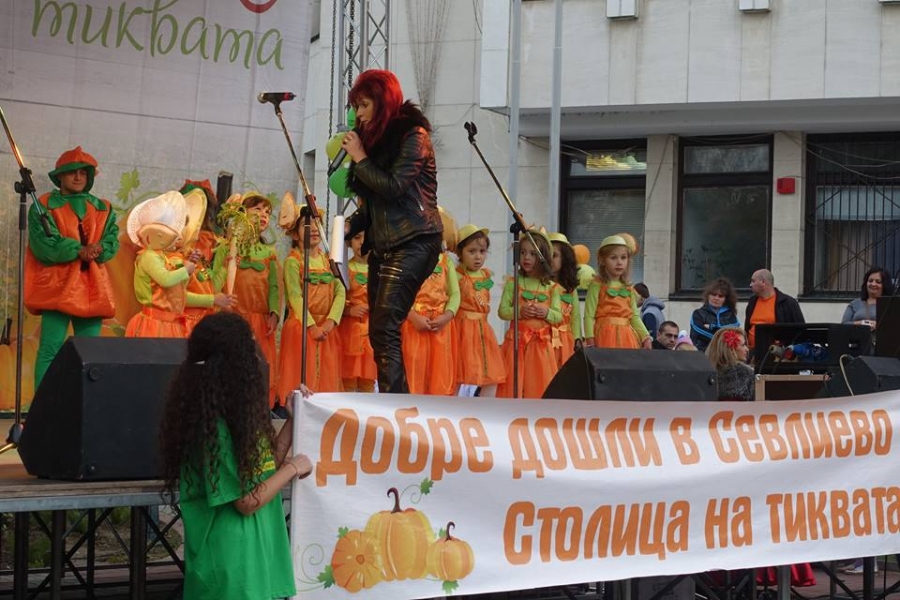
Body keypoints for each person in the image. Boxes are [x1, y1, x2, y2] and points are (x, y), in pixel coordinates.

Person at [159, 312, 312, 599]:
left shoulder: (232, 417)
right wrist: (292, 469)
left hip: (251, 563)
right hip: (230, 568)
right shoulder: (214, 430)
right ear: (232, 364)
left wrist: (293, 421)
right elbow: (246, 501)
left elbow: (264, 470)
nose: (257, 358)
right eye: (249, 349)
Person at [342, 69, 443, 394]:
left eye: (364, 105)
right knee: (379, 330)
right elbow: (374, 203)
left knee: (385, 325)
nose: (359, 115)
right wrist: (350, 226)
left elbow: (394, 186)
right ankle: (395, 400)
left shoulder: (414, 136)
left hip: (415, 240)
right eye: (356, 107)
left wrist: (360, 157)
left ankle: (396, 406)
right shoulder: (376, 143)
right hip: (385, 245)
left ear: (383, 102)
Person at [25, 147, 119, 388]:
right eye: (71, 172)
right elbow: (44, 246)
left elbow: (112, 240)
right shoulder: (43, 205)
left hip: (91, 288)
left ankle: (85, 405)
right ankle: (43, 407)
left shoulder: (103, 208)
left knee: (90, 353)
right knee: (50, 348)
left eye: (83, 173)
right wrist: (78, 250)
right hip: (57, 287)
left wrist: (99, 249)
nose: (78, 177)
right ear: (60, 176)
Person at [125, 192, 230, 338]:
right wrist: (186, 270)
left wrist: (190, 266)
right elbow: (166, 281)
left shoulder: (163, 257)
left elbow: (178, 291)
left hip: (171, 322)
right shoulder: (149, 256)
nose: (179, 234)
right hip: (156, 323)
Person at [213, 193, 281, 406]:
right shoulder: (226, 247)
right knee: (230, 370)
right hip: (233, 318)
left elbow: (274, 286)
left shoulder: (269, 252)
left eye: (267, 212)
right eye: (257, 209)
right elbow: (213, 285)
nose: (263, 215)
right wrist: (228, 263)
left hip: (260, 321)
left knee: (258, 371)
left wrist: (274, 313)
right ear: (242, 213)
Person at [278, 205, 345, 398]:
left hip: (326, 329)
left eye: (317, 223)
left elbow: (340, 291)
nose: (314, 228)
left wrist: (330, 322)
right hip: (302, 328)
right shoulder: (293, 261)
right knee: (301, 379)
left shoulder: (328, 261)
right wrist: (312, 326)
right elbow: (295, 296)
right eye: (306, 225)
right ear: (295, 234)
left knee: (326, 383)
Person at [497, 230, 562, 399]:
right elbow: (502, 312)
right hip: (517, 343)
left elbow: (558, 316)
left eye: (533, 254)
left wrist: (546, 312)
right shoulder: (513, 283)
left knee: (539, 386)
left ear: (543, 257)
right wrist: (519, 311)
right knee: (514, 385)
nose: (526, 258)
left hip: (540, 345)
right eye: (523, 252)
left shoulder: (551, 287)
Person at [401, 220, 459, 396]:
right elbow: (400, 293)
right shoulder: (407, 258)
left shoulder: (446, 262)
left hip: (440, 327)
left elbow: (455, 294)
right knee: (414, 373)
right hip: (415, 325)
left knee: (440, 377)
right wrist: (413, 317)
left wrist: (447, 316)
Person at [453, 224, 506, 397]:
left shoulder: (485, 275)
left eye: (482, 251)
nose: (478, 256)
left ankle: (484, 409)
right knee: (458, 372)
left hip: (483, 329)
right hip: (462, 329)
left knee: (491, 373)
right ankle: (450, 408)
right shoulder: (457, 275)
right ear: (460, 253)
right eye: (472, 251)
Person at [583, 235, 652, 349]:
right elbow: (589, 315)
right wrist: (590, 339)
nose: (619, 262)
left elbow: (634, 316)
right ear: (602, 260)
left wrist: (645, 336)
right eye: (613, 258)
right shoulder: (597, 285)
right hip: (604, 336)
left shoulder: (628, 288)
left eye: (623, 258)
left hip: (627, 337)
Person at [179, 180, 222, 334]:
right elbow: (177, 294)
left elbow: (208, 279)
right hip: (182, 318)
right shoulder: (172, 250)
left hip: (204, 316)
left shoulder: (212, 239)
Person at [339, 230, 377, 393]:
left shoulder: (379, 270)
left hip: (372, 331)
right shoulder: (344, 270)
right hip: (350, 331)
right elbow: (335, 299)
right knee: (348, 379)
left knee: (368, 380)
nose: (362, 242)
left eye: (366, 238)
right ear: (349, 242)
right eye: (357, 237)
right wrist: (349, 310)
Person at [745, 269, 805, 351]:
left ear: (763, 282)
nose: (750, 284)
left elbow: (800, 330)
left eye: (753, 281)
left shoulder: (787, 303)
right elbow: (747, 327)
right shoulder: (752, 301)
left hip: (775, 353)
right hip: (751, 351)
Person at [549, 233, 583, 367]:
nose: (549, 259)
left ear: (565, 258)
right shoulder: (542, 285)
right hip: (545, 338)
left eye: (554, 255)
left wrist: (577, 337)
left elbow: (575, 315)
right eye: (546, 255)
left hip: (566, 339)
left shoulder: (570, 288)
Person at [841, 267, 893, 353]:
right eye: (870, 281)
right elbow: (843, 325)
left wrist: (879, 325)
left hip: (884, 350)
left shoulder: (890, 304)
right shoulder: (854, 304)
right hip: (857, 349)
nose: (873, 284)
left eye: (878, 282)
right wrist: (862, 323)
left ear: (885, 285)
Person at [690, 278, 741, 353]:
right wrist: (723, 335)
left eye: (720, 296)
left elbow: (735, 332)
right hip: (703, 354)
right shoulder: (698, 314)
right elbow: (700, 332)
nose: (716, 298)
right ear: (708, 295)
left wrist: (712, 327)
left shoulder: (731, 315)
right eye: (713, 294)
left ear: (726, 299)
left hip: (725, 355)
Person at [707, 328, 754, 402]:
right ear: (731, 349)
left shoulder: (706, 373)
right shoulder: (746, 373)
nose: (747, 349)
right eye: (743, 345)